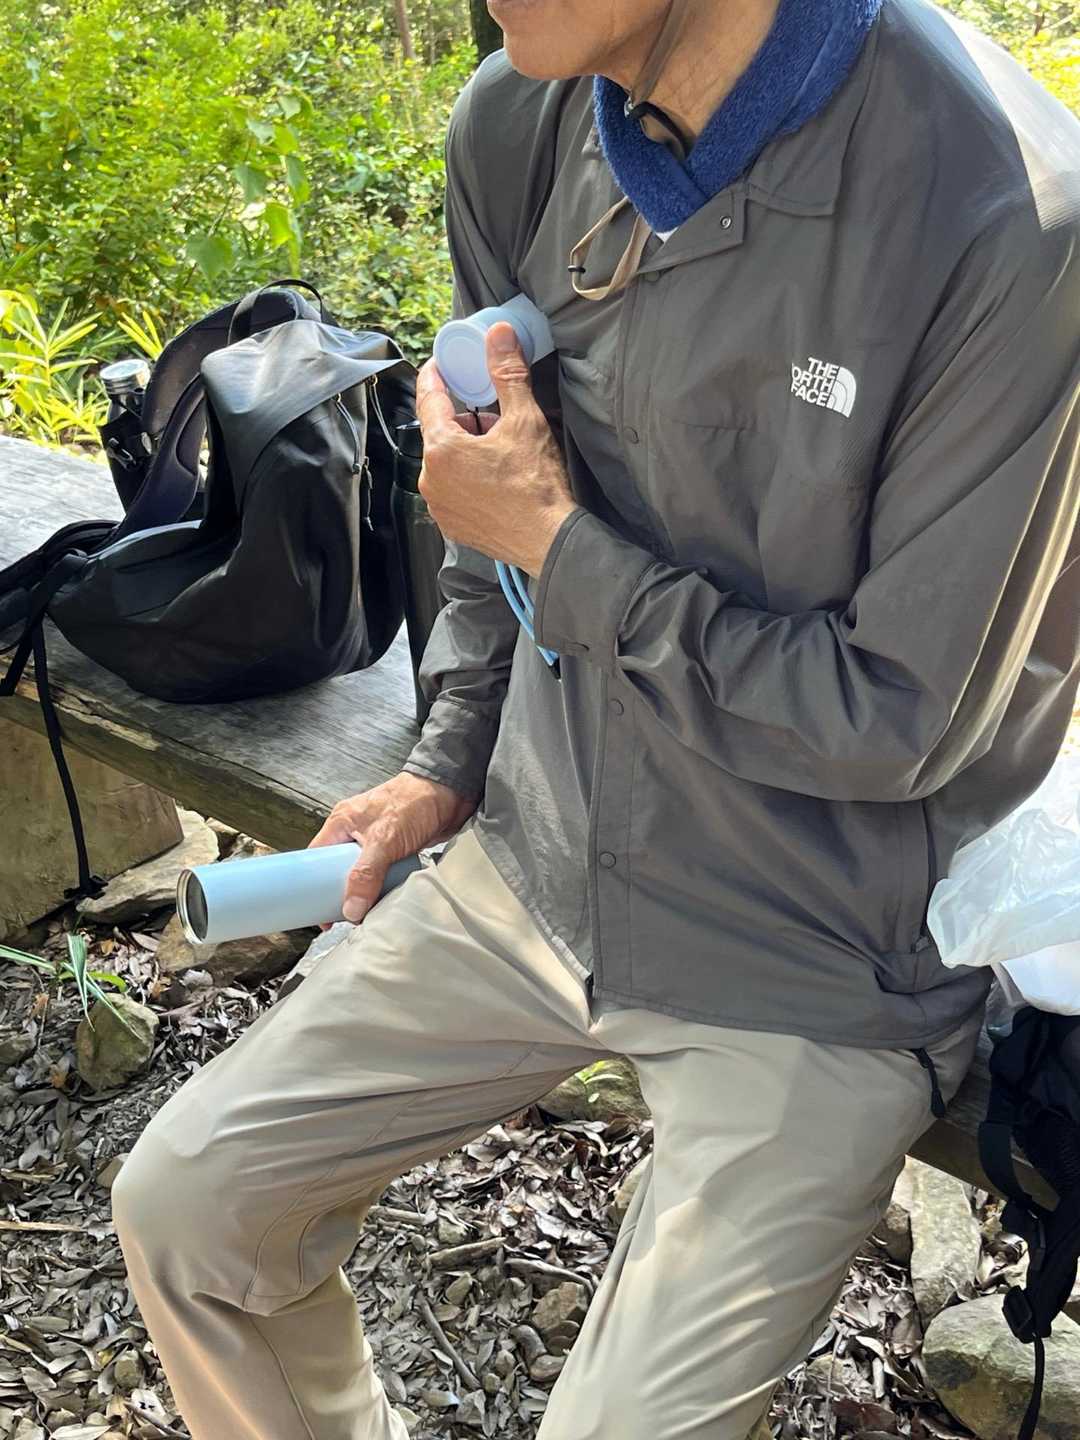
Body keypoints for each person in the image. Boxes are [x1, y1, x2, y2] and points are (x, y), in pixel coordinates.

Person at [112, 1, 1080, 1436]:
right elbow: (481, 483)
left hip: (820, 952)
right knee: (193, 1212)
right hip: (543, 859)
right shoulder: (521, 117)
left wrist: (561, 549)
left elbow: (898, 722)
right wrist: (449, 755)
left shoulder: (1007, 213)